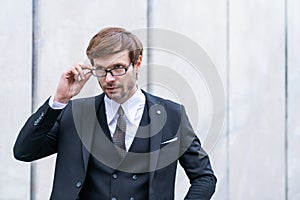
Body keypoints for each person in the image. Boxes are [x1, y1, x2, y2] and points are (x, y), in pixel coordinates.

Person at [14, 27, 217, 200]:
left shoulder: (172, 115)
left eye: (118, 68)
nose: (109, 79)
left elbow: (204, 177)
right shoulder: (73, 114)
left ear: (137, 63)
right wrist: (59, 100)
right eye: (101, 70)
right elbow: (24, 151)